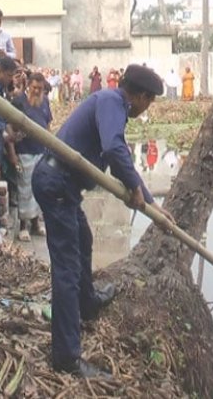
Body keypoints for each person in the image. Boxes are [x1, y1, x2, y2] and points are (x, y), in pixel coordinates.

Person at [32, 64, 174, 377]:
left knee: (84, 239)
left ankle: (89, 303)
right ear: (138, 95)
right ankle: (67, 357)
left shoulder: (110, 100)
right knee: (66, 270)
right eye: (148, 101)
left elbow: (114, 149)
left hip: (63, 184)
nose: (146, 107)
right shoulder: (112, 101)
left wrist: (148, 200)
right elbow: (113, 147)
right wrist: (135, 188)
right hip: (56, 182)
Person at [11, 72, 52, 242]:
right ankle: (23, 225)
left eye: (40, 88)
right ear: (28, 86)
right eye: (34, 87)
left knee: (39, 188)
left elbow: (48, 124)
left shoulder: (45, 102)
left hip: (40, 151)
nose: (36, 91)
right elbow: (10, 128)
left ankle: (36, 223)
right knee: (25, 187)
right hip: (24, 151)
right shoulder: (19, 102)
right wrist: (12, 153)